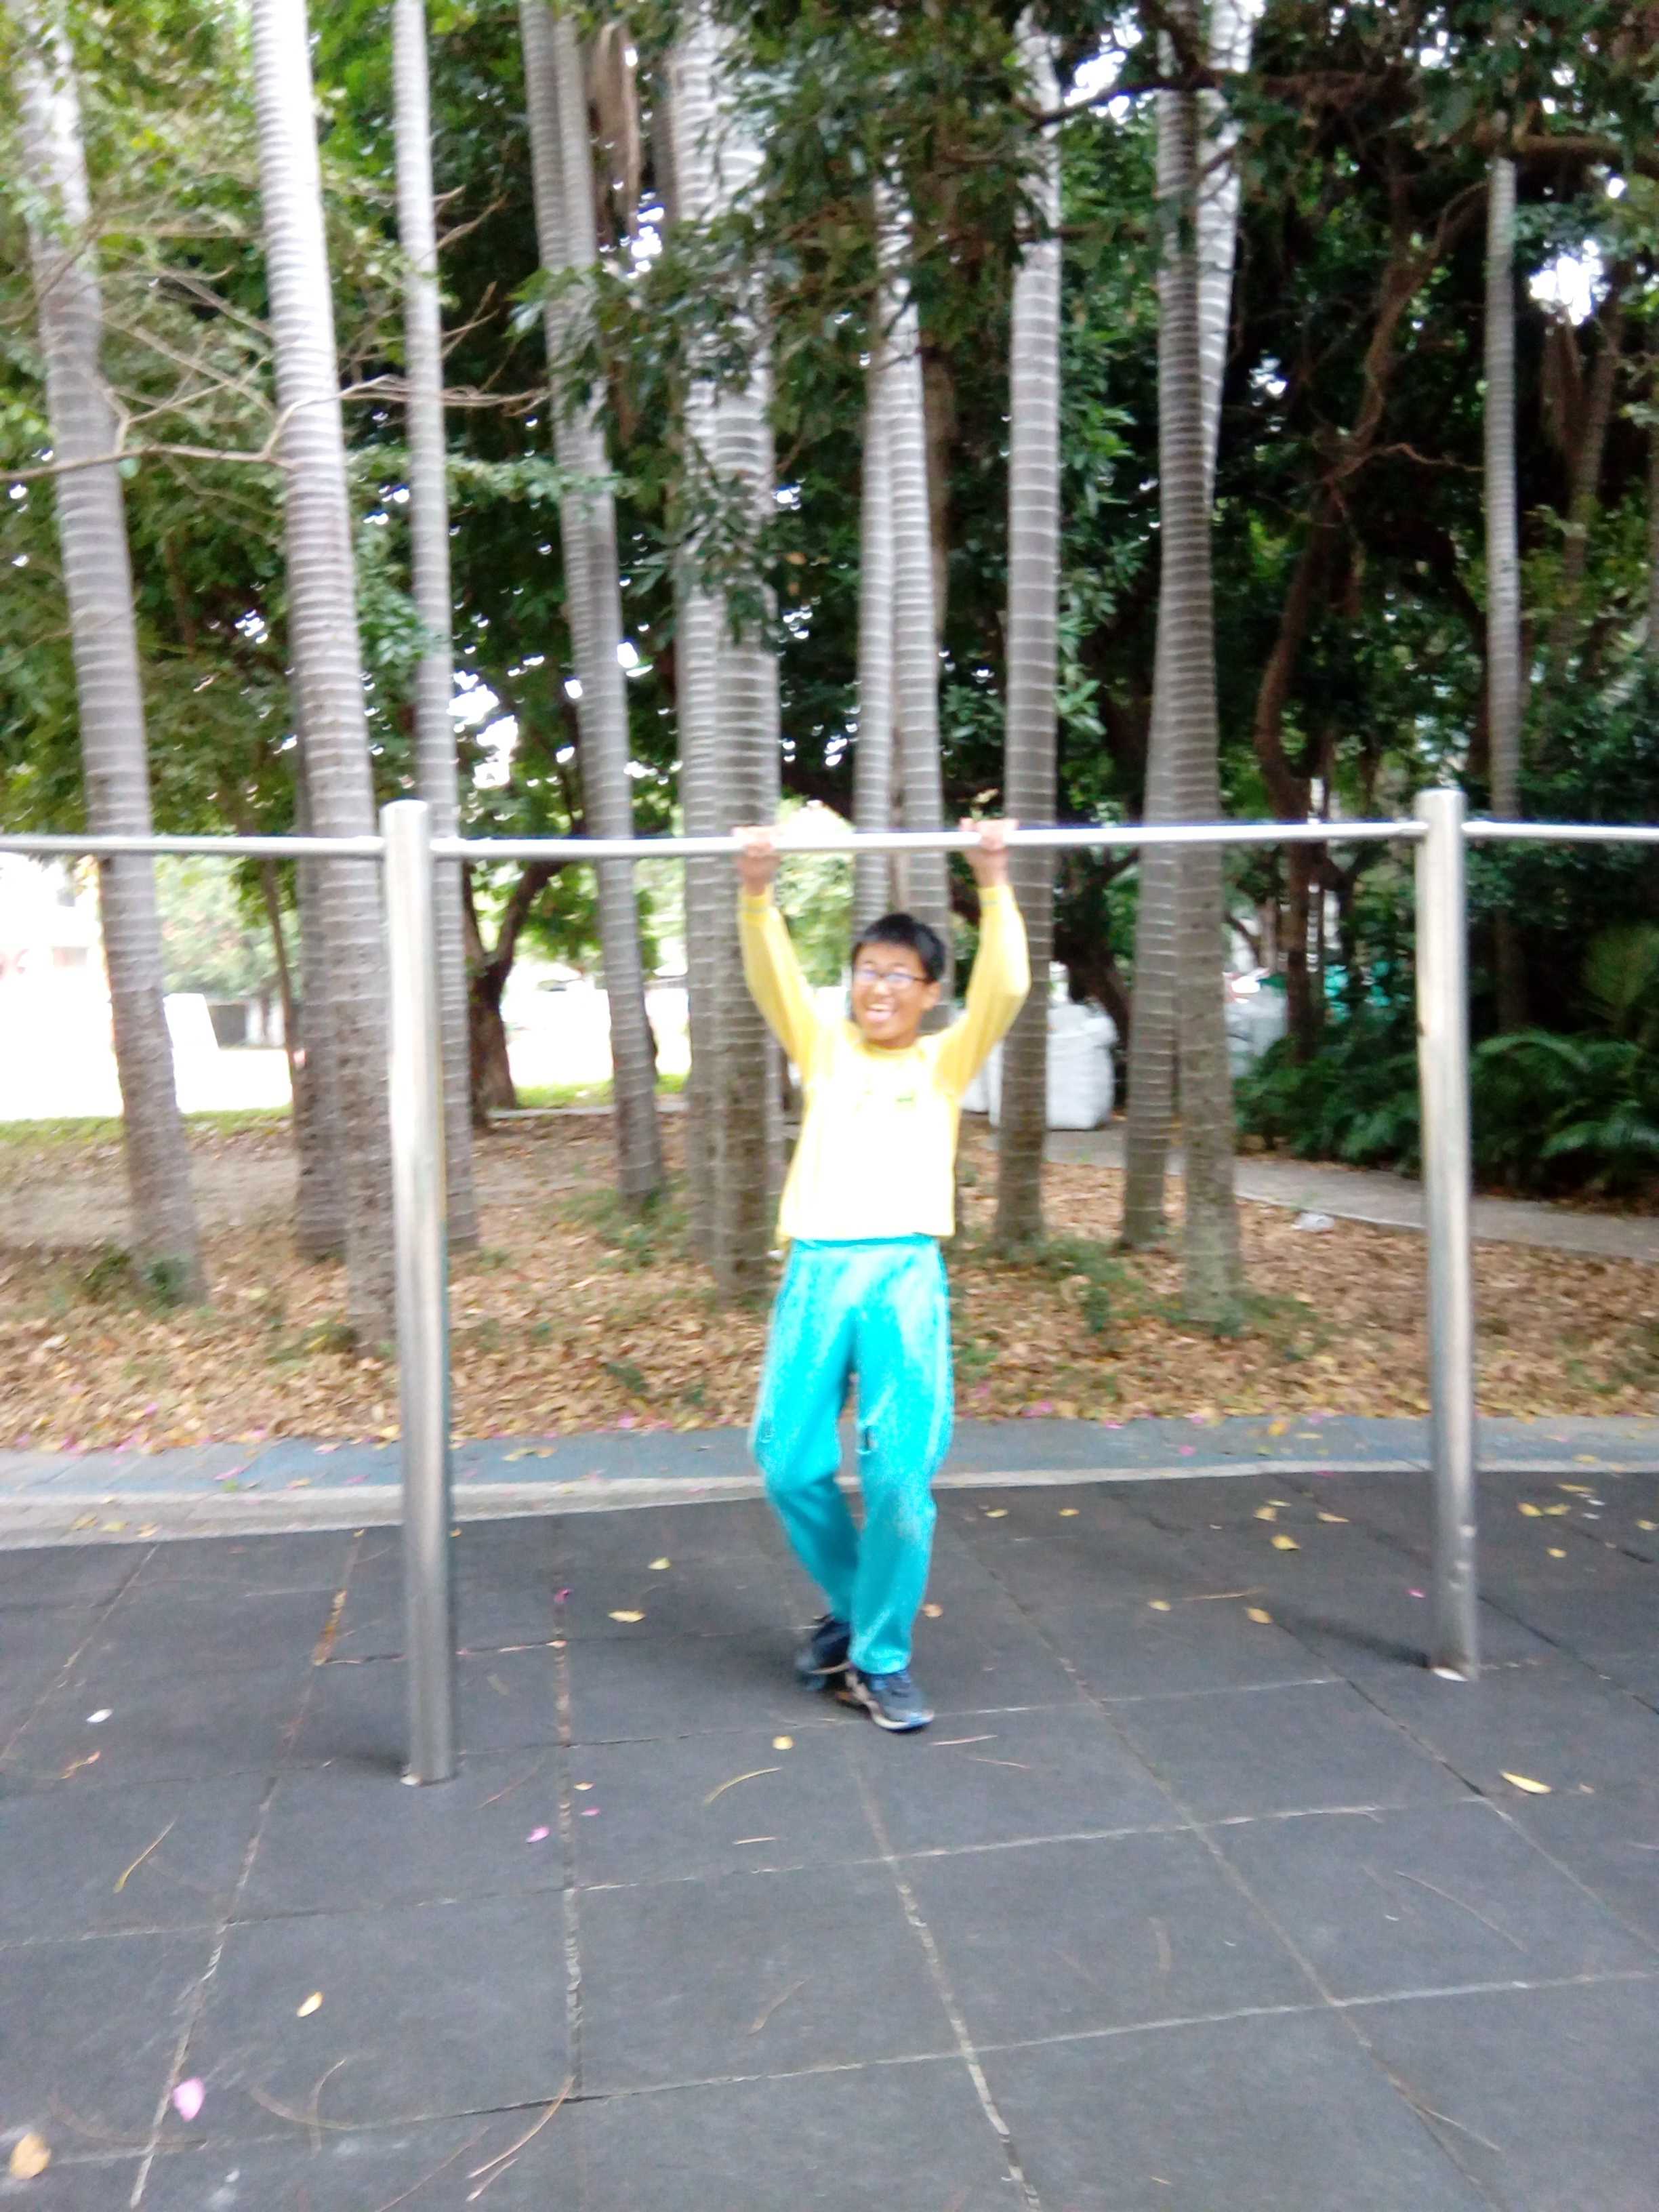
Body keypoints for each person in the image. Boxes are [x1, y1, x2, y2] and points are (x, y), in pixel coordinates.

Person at [732, 819, 1030, 1732]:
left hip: (904, 1277)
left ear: (932, 994)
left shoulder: (944, 1062)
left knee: (901, 1475)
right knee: (787, 1463)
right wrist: (757, 893)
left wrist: (993, 878)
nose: (880, 988)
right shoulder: (824, 1050)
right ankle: (859, 1605)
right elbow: (774, 979)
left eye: (901, 975)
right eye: (868, 970)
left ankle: (879, 1657)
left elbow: (1008, 986)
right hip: (819, 1273)